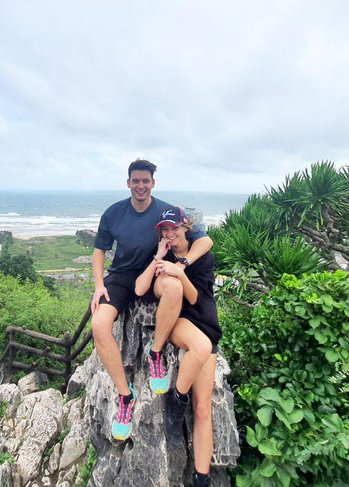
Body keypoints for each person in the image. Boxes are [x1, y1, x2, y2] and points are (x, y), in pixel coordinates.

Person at [90, 159, 213, 441]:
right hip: (121, 277)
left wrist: (181, 263)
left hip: (156, 271)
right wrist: (99, 285)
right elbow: (99, 251)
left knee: (173, 286)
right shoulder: (114, 213)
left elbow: (205, 241)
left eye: (146, 181)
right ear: (128, 183)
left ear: (153, 183)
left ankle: (155, 353)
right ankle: (125, 395)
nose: (141, 186)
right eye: (136, 181)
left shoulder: (166, 212)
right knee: (99, 324)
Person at [135, 206, 222, 487]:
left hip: (205, 320)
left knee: (203, 410)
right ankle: (177, 400)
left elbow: (196, 298)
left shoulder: (202, 254)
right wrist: (161, 261)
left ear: (186, 227)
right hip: (180, 321)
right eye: (165, 230)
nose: (170, 234)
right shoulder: (164, 253)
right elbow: (142, 288)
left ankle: (201, 477)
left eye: (175, 228)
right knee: (199, 347)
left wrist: (180, 270)